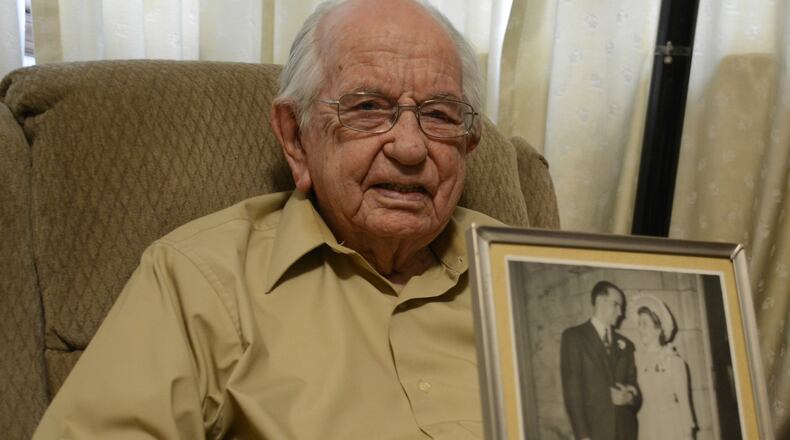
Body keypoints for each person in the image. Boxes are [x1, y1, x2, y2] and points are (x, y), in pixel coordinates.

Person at [32, 1, 500, 438]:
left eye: (439, 115)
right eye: (368, 108)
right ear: (295, 137)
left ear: (467, 144)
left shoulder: (521, 271)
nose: (410, 147)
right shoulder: (200, 278)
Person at [560, 280, 640, 440]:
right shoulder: (574, 337)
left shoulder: (627, 345)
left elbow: (635, 388)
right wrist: (583, 436)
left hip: (626, 432)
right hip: (595, 433)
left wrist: (630, 397)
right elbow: (572, 392)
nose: (620, 313)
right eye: (616, 305)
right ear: (600, 301)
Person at [632, 295, 696, 440]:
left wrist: (688, 434)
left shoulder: (673, 361)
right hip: (646, 425)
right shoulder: (636, 361)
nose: (640, 328)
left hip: (671, 426)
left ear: (658, 329)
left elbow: (684, 402)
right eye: (639, 323)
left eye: (644, 324)